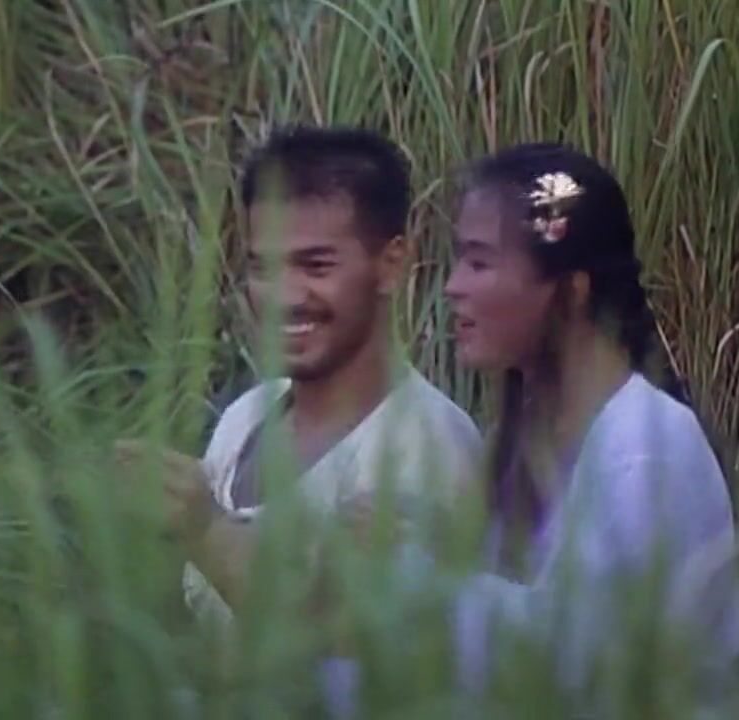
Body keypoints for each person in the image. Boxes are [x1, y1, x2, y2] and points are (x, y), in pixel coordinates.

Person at [320, 143, 739, 716]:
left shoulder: (646, 448)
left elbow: (575, 662)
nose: (452, 287)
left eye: (479, 263)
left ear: (572, 288)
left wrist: (414, 571)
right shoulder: (523, 436)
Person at [117, 126, 483, 630]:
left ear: (392, 264)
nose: (285, 297)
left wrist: (204, 528)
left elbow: (350, 647)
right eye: (262, 268)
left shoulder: (425, 446)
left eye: (316, 266)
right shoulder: (247, 415)